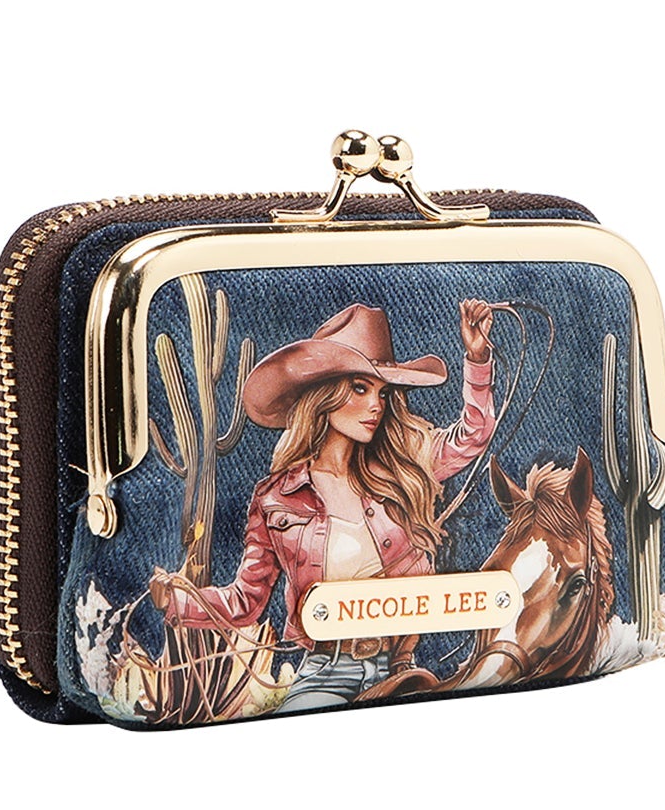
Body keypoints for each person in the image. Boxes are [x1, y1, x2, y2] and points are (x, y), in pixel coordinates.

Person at [149, 298, 495, 712]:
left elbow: (472, 436)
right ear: (325, 395)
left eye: (383, 393)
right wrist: (175, 601)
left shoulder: (400, 469)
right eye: (360, 388)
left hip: (402, 669)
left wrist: (478, 359)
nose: (376, 405)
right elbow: (246, 600)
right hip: (327, 670)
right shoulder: (276, 499)